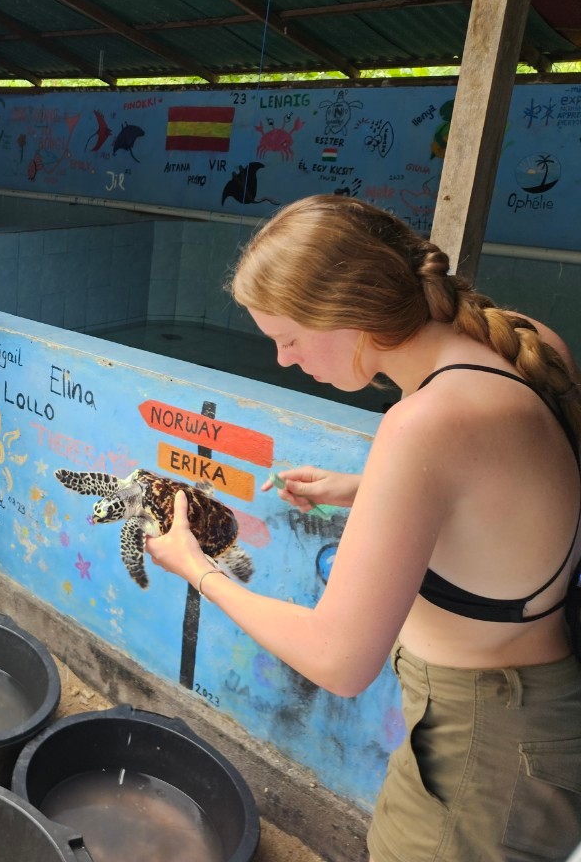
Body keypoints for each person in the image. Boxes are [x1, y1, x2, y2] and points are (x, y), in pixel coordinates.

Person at [142, 194, 581, 862]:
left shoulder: (424, 423)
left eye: (287, 339)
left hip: (482, 746)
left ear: (346, 313)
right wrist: (364, 489)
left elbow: (339, 660)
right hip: (536, 712)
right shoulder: (520, 341)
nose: (285, 360)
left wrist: (196, 566)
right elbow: (507, 496)